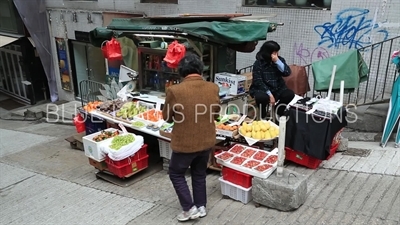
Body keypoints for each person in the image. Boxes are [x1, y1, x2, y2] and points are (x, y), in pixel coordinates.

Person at [162, 53, 220, 222]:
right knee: (199, 173)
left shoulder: (175, 90)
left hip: (185, 143)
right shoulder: (213, 88)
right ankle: (201, 206)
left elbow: (167, 117)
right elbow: (216, 113)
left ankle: (189, 208)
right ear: (200, 70)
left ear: (182, 71)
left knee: (176, 173)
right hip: (206, 139)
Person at [249, 40, 295, 119]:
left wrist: (277, 61)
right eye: (274, 52)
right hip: (263, 88)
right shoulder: (258, 63)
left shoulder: (279, 60)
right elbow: (258, 81)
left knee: (289, 94)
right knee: (261, 98)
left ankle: (278, 110)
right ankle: (263, 114)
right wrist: (270, 95)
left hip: (278, 87)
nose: (277, 54)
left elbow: (287, 72)